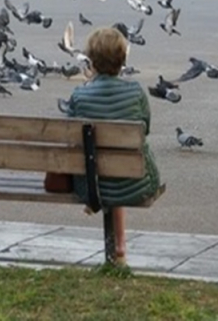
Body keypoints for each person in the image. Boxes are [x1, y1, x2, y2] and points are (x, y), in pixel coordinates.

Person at [60, 27, 161, 208]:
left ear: (91, 62)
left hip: (92, 187)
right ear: (123, 60)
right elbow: (145, 129)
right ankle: (117, 236)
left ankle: (110, 221)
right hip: (138, 184)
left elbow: (71, 136)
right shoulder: (136, 92)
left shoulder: (80, 96)